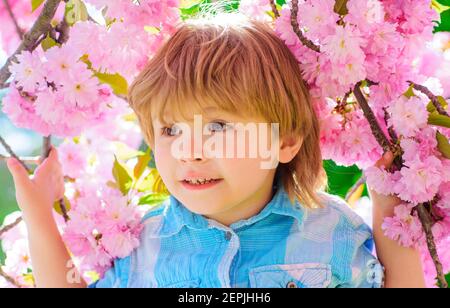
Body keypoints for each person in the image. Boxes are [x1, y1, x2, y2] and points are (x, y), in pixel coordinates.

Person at [6, 13, 425, 288]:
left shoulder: (333, 231)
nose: (188, 152)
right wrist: (39, 212)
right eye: (169, 129)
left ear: (286, 140)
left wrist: (389, 207)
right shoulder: (141, 246)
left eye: (218, 126)